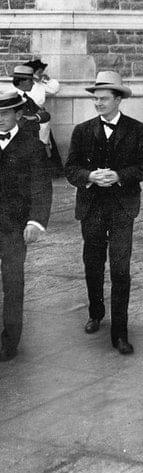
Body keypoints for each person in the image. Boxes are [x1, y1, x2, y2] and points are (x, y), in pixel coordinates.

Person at [65, 71, 143, 355]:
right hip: (91, 207)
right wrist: (90, 175)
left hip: (121, 208)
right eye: (96, 99)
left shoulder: (137, 129)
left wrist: (118, 175)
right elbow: (70, 169)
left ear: (118, 99)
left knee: (120, 269)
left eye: (104, 99)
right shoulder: (82, 130)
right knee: (92, 264)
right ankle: (95, 312)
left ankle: (120, 333)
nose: (98, 103)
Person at [0, 90, 52, 361]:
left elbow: (42, 187)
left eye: (4, 114)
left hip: (13, 228)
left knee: (13, 283)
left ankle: (9, 342)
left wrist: (35, 221)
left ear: (18, 115)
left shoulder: (31, 146)